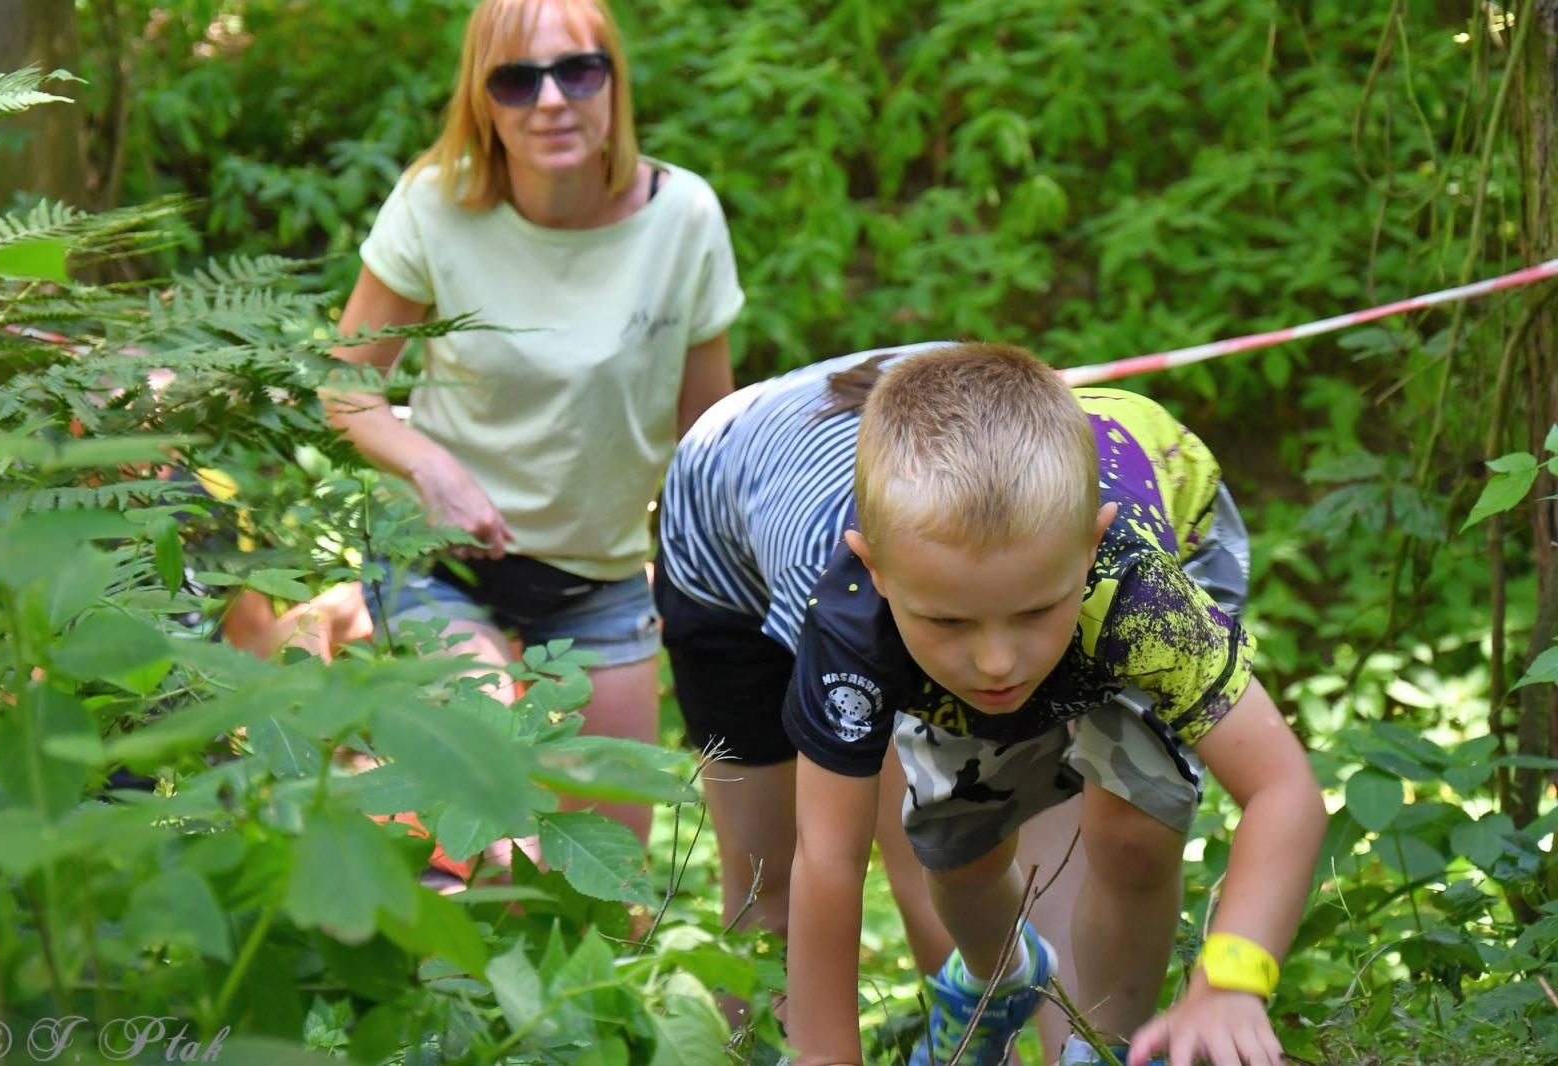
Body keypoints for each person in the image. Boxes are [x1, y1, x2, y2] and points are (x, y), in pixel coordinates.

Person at [781, 343, 1327, 1066]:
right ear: (875, 569)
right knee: (960, 855)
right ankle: (996, 978)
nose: (997, 663)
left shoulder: (1138, 595)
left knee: (1134, 830)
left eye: (1035, 612)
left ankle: (1104, 1044)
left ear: (1090, 546)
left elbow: (1283, 789)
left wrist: (1232, 980)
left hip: (1161, 542)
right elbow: (829, 855)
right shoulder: (852, 623)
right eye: (948, 622)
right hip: (1046, 598)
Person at [322, 0, 743, 847]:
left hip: (600, 579)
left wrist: (696, 574)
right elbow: (345, 386)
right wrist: (430, 471)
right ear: (483, 101)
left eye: (577, 72)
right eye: (517, 79)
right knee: (482, 818)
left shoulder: (684, 217)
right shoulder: (435, 206)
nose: (551, 101)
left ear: (614, 85)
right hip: (443, 563)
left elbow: (708, 430)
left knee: (604, 873)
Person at [655, 343, 957, 1007]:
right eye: (953, 624)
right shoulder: (831, 585)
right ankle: (745, 1046)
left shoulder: (1038, 503)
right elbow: (917, 862)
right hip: (721, 519)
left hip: (861, 453)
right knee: (769, 884)